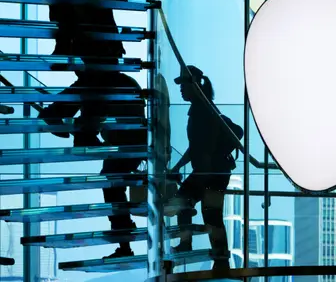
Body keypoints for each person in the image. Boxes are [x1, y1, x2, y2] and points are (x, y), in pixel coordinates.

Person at [38, 71, 147, 259]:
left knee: (113, 191)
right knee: (113, 191)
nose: (77, 74)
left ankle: (124, 243)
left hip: (125, 144)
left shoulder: (102, 82)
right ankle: (124, 242)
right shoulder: (115, 82)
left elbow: (96, 107)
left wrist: (83, 131)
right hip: (127, 143)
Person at [164, 65, 242, 272]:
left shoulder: (201, 111)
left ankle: (189, 246)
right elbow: (196, 147)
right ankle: (220, 260)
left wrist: (192, 174)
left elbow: (200, 148)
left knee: (183, 204)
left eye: (184, 85)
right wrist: (179, 166)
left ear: (195, 86)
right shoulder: (204, 108)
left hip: (208, 173)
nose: (181, 90)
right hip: (214, 173)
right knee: (210, 214)